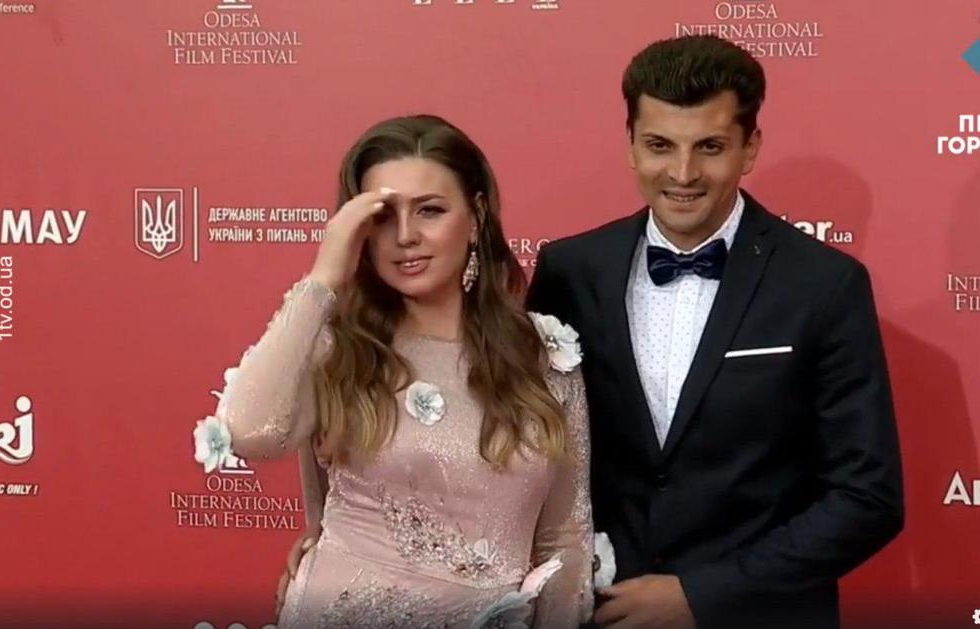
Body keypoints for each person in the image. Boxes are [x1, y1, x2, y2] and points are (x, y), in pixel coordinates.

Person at [525, 35, 904, 628]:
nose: (682, 173)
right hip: (598, 614)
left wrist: (701, 596)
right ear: (630, 143)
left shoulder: (825, 284)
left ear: (749, 148)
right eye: (659, 145)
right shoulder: (569, 271)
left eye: (709, 147)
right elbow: (532, 456)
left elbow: (867, 497)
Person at [205, 114, 593, 628]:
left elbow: (564, 542)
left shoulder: (545, 360)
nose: (406, 236)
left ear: (476, 216)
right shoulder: (336, 348)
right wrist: (324, 278)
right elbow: (248, 432)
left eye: (430, 210)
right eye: (384, 218)